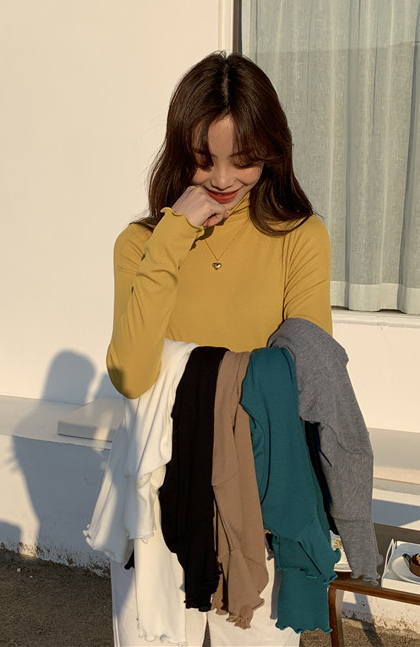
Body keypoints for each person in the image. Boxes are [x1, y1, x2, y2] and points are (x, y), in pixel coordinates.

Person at [106, 51, 333, 647]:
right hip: (158, 493)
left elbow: (306, 375)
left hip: (258, 499)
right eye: (204, 160)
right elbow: (131, 374)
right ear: (179, 151)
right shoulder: (141, 244)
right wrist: (174, 234)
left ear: (272, 151)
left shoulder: (300, 236)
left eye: (245, 159)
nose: (225, 180)